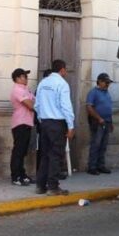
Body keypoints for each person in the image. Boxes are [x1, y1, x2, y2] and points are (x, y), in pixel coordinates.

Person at [33, 59, 74, 196]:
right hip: (57, 123)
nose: (66, 73)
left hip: (44, 123)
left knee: (45, 155)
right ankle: (53, 187)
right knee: (56, 155)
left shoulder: (43, 83)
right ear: (62, 70)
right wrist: (71, 126)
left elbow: (37, 104)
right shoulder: (62, 84)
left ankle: (40, 185)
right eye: (65, 70)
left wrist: (41, 119)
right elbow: (66, 107)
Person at [9, 68, 35, 186]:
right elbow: (30, 105)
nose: (26, 78)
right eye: (24, 76)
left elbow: (34, 102)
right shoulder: (17, 90)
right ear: (18, 78)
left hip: (27, 122)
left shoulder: (26, 89)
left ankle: (22, 174)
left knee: (23, 151)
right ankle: (15, 176)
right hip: (20, 122)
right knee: (18, 151)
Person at [86, 73, 114, 176]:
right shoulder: (93, 93)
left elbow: (109, 108)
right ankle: (92, 167)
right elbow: (89, 108)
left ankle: (100, 165)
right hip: (97, 122)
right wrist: (99, 118)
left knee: (103, 145)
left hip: (106, 121)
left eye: (108, 83)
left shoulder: (107, 93)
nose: (107, 85)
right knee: (96, 144)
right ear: (100, 82)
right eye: (106, 83)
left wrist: (111, 122)